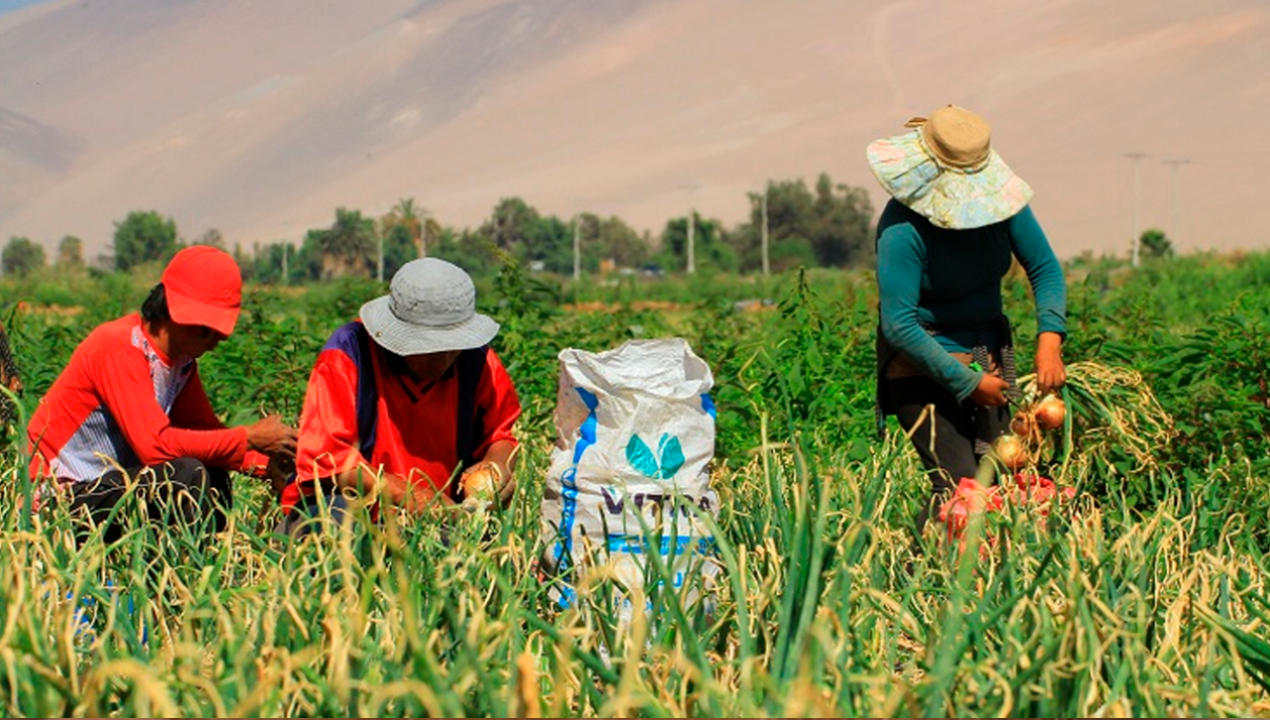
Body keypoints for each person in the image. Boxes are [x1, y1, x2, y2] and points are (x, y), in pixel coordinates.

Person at [866, 104, 1068, 537]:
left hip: (985, 356)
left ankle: (985, 580)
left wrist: (1050, 338)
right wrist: (968, 382)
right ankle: (928, 586)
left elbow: (1045, 269)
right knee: (958, 485)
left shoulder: (1003, 209)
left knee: (996, 481)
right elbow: (899, 323)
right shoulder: (902, 228)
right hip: (919, 362)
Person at [27, 245, 298, 541]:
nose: (217, 339)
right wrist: (249, 437)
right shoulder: (120, 348)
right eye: (208, 329)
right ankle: (168, 577)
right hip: (57, 501)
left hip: (106, 488)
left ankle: (191, 571)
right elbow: (154, 448)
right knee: (185, 475)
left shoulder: (181, 365)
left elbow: (205, 433)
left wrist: (266, 463)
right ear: (178, 315)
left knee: (211, 470)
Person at [279, 257, 521, 533]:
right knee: (334, 523)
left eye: (452, 345)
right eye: (430, 347)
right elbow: (327, 458)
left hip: (442, 517)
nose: (443, 357)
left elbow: (501, 437)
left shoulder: (479, 363)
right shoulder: (349, 355)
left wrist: (495, 468)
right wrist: (408, 495)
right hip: (358, 509)